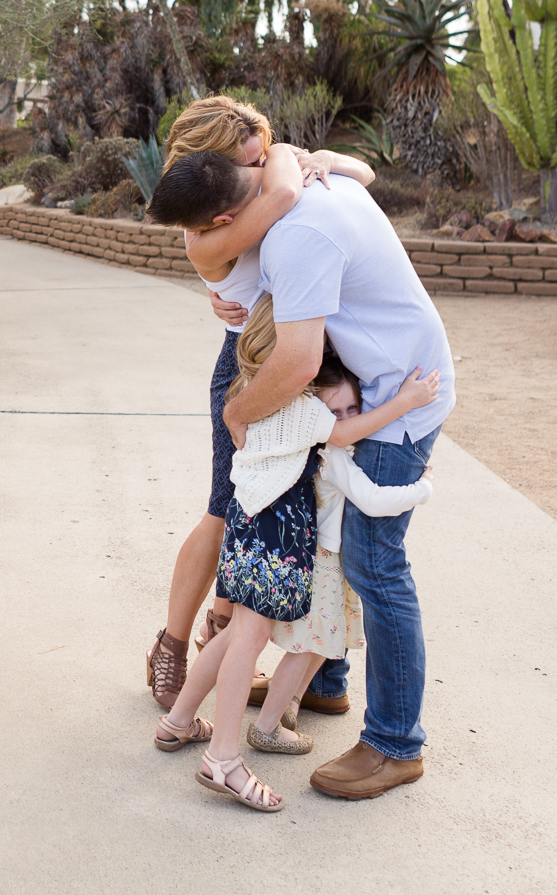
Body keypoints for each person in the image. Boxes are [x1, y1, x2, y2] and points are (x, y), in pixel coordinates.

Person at [156, 147, 455, 801]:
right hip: (369, 391)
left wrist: (237, 412)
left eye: (211, 233)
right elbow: (354, 171)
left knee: (375, 566)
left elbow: (295, 363)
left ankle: (395, 744)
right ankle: (321, 684)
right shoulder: (296, 183)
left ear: (233, 213)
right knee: (339, 560)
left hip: (393, 396)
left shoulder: (296, 238)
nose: (211, 247)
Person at [144, 98, 374, 714]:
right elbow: (282, 202)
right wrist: (292, 168)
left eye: (263, 152)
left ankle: (309, 670)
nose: (262, 163)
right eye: (247, 161)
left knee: (317, 517)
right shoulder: (213, 223)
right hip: (251, 372)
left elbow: (361, 177)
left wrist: (315, 157)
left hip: (306, 366)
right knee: (227, 511)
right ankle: (172, 646)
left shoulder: (269, 169)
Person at [244, 355, 438, 754]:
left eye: (354, 408)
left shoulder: (327, 450)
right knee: (308, 647)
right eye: (337, 412)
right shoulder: (333, 457)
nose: (348, 417)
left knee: (324, 643)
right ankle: (265, 728)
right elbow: (372, 499)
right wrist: (424, 487)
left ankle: (290, 705)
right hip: (325, 565)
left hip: (327, 561)